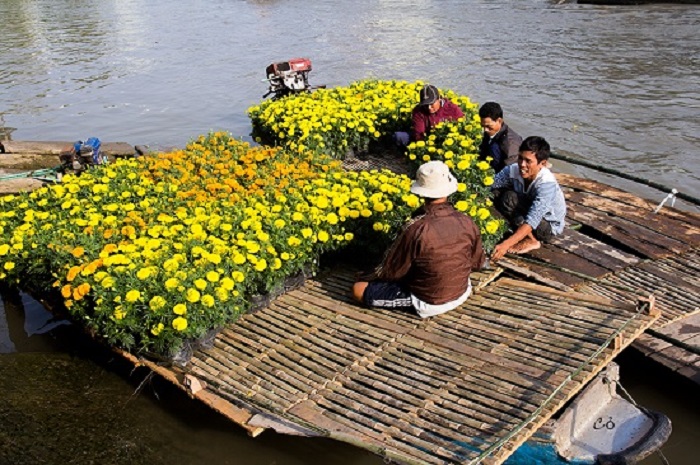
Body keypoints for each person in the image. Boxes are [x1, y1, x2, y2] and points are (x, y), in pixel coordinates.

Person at [352, 161, 486, 318]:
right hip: (462, 290)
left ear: (421, 193)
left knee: (358, 289)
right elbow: (478, 261)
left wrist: (365, 276)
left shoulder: (417, 228)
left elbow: (392, 271)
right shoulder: (466, 220)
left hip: (429, 301)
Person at [490, 136, 566, 261]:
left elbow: (533, 219)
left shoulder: (546, 184)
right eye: (520, 158)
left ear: (542, 163)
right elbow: (491, 185)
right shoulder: (512, 170)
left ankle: (532, 240)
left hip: (546, 225)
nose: (522, 165)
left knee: (510, 199)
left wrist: (505, 245)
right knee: (500, 194)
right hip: (525, 209)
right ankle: (523, 235)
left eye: (528, 161)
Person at [393, 84, 464, 147]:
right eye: (426, 105)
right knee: (398, 136)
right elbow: (419, 134)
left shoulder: (452, 108)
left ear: (439, 99)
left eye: (431, 103)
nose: (429, 107)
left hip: (447, 139)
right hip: (427, 138)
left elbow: (462, 126)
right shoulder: (418, 111)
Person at [478, 102, 522, 173]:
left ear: (499, 121)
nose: (485, 130)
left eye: (488, 126)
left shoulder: (511, 144)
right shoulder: (491, 132)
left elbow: (509, 172)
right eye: (483, 126)